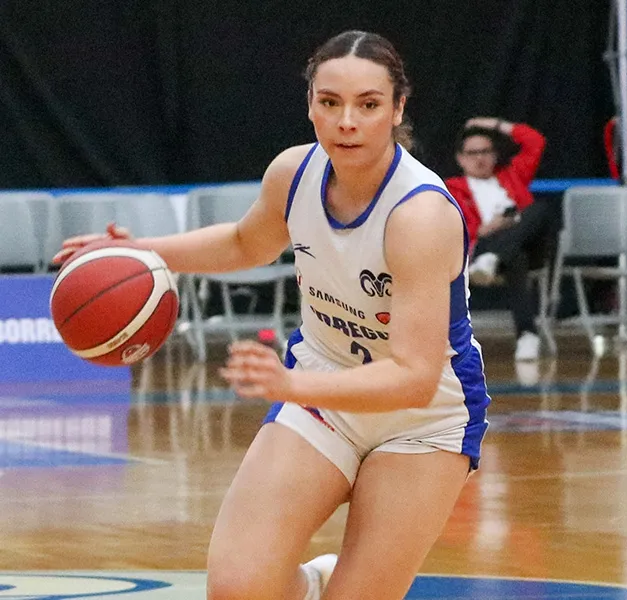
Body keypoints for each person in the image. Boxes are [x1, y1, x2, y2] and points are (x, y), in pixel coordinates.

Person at [54, 30, 490, 600]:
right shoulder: (293, 173)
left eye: (368, 104)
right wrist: (136, 255)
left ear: (398, 108)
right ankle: (309, 584)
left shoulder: (421, 216)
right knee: (237, 589)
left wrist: (290, 382)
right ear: (311, 103)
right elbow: (244, 243)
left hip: (425, 418)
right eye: (330, 103)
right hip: (323, 389)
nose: (347, 122)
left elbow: (413, 377)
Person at [445, 117, 552, 361]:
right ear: (460, 158)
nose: (480, 158)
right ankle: (527, 335)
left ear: (495, 155)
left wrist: (492, 124)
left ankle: (495, 258)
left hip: (518, 243)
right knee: (516, 257)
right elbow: (452, 230)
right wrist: (486, 229)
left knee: (539, 210)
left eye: (485, 151)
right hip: (480, 248)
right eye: (472, 153)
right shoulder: (452, 188)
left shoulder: (511, 177)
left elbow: (535, 141)